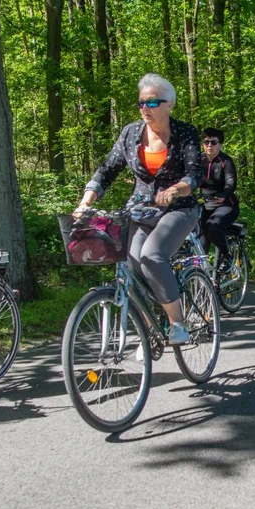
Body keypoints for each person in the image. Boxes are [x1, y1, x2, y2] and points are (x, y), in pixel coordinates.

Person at [75, 73, 201, 345]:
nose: (146, 108)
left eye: (154, 103)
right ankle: (148, 332)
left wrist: (173, 190)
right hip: (142, 210)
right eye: (142, 103)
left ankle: (177, 323)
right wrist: (86, 201)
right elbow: (107, 169)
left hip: (179, 209)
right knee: (131, 262)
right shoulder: (131, 134)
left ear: (170, 105)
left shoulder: (186, 133)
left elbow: (194, 175)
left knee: (152, 255)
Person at [199, 127, 239, 275]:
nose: (209, 145)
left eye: (213, 142)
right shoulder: (199, 161)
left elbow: (231, 182)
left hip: (226, 205)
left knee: (213, 225)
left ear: (220, 144)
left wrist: (223, 194)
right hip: (205, 204)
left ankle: (227, 256)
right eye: (206, 142)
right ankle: (202, 280)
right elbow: (191, 180)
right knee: (199, 239)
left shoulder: (226, 161)